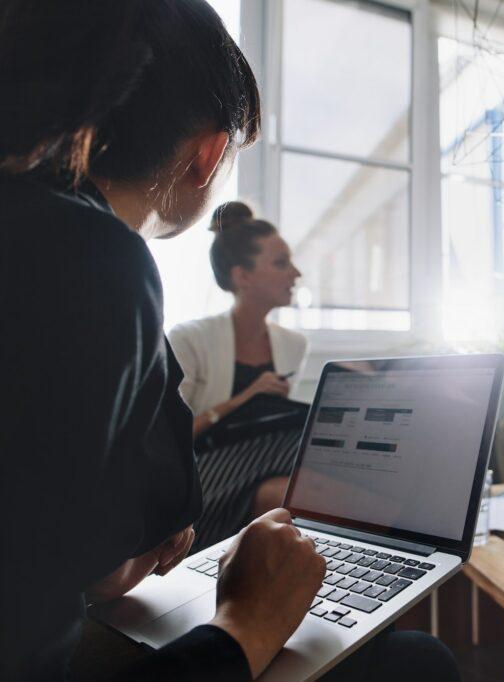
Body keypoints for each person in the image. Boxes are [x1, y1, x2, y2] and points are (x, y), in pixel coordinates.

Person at [0, 2, 456, 680]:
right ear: (209, 155)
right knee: (422, 665)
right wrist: (244, 622)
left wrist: (101, 564)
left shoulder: (45, 234)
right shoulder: (94, 263)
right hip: (195, 521)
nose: (293, 272)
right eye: (278, 262)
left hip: (123, 576)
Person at [169, 202, 307, 549]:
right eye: (281, 263)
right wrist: (247, 398)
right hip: (200, 472)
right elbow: (171, 439)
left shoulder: (293, 345)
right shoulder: (189, 339)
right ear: (242, 276)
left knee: (298, 474)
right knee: (303, 473)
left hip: (262, 462)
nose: (296, 273)